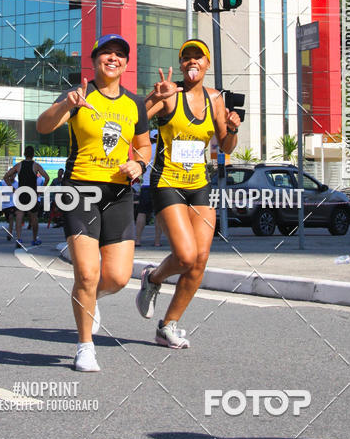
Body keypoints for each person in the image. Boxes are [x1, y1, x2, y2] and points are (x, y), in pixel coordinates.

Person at [37, 33, 151, 373]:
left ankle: (91, 299)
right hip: (80, 191)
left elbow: (144, 147)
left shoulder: (135, 104)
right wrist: (65, 105)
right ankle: (85, 346)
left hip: (119, 194)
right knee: (87, 273)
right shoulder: (78, 95)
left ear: (126, 64)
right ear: (95, 59)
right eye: (106, 53)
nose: (113, 58)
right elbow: (43, 126)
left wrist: (140, 163)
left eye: (120, 54)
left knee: (116, 278)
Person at [136, 39, 240, 348]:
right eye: (187, 58)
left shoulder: (216, 99)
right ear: (181, 64)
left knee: (200, 260)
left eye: (199, 57)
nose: (192, 62)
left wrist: (233, 129)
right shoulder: (171, 95)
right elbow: (132, 120)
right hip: (167, 180)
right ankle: (153, 278)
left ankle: (167, 326)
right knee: (184, 255)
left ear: (207, 64)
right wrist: (155, 96)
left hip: (199, 183)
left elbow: (225, 147)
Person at [4, 147, 49, 247]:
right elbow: (47, 178)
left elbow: (6, 176)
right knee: (34, 218)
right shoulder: (36, 166)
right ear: (33, 154)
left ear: (24, 154)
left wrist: (13, 190)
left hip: (21, 193)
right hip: (32, 193)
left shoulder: (19, 165)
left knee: (19, 217)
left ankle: (19, 239)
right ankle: (34, 239)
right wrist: (40, 190)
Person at [135, 132, 163, 247]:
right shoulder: (163, 150)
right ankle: (157, 242)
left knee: (142, 213)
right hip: (159, 185)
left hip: (146, 185)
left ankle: (137, 240)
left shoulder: (146, 150)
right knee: (158, 215)